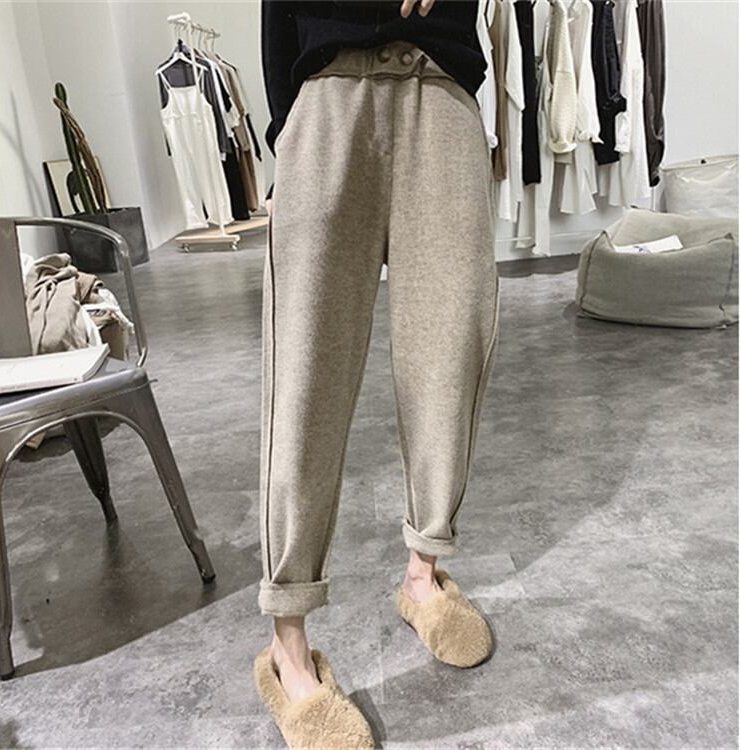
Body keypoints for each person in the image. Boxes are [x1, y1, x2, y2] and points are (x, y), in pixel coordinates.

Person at [254, 0, 501, 746]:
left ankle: (423, 576)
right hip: (328, 96)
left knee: (450, 352)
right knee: (304, 377)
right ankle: (287, 646)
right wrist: (288, 129)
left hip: (442, 96)